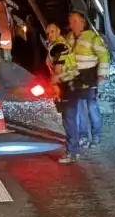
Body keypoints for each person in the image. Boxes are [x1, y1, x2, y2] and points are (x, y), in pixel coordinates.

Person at [66, 11, 110, 150]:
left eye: (75, 21)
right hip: (75, 78)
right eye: (71, 21)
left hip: (90, 77)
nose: (72, 24)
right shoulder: (69, 38)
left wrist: (101, 74)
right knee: (78, 109)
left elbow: (104, 55)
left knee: (92, 108)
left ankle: (96, 136)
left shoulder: (92, 37)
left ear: (83, 22)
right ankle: (83, 136)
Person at [45, 24, 81, 164]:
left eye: (52, 32)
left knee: (69, 120)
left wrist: (53, 85)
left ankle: (72, 152)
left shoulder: (58, 46)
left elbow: (57, 70)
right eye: (47, 33)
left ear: (58, 31)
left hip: (67, 86)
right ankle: (74, 149)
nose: (49, 35)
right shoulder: (61, 44)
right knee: (71, 119)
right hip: (71, 85)